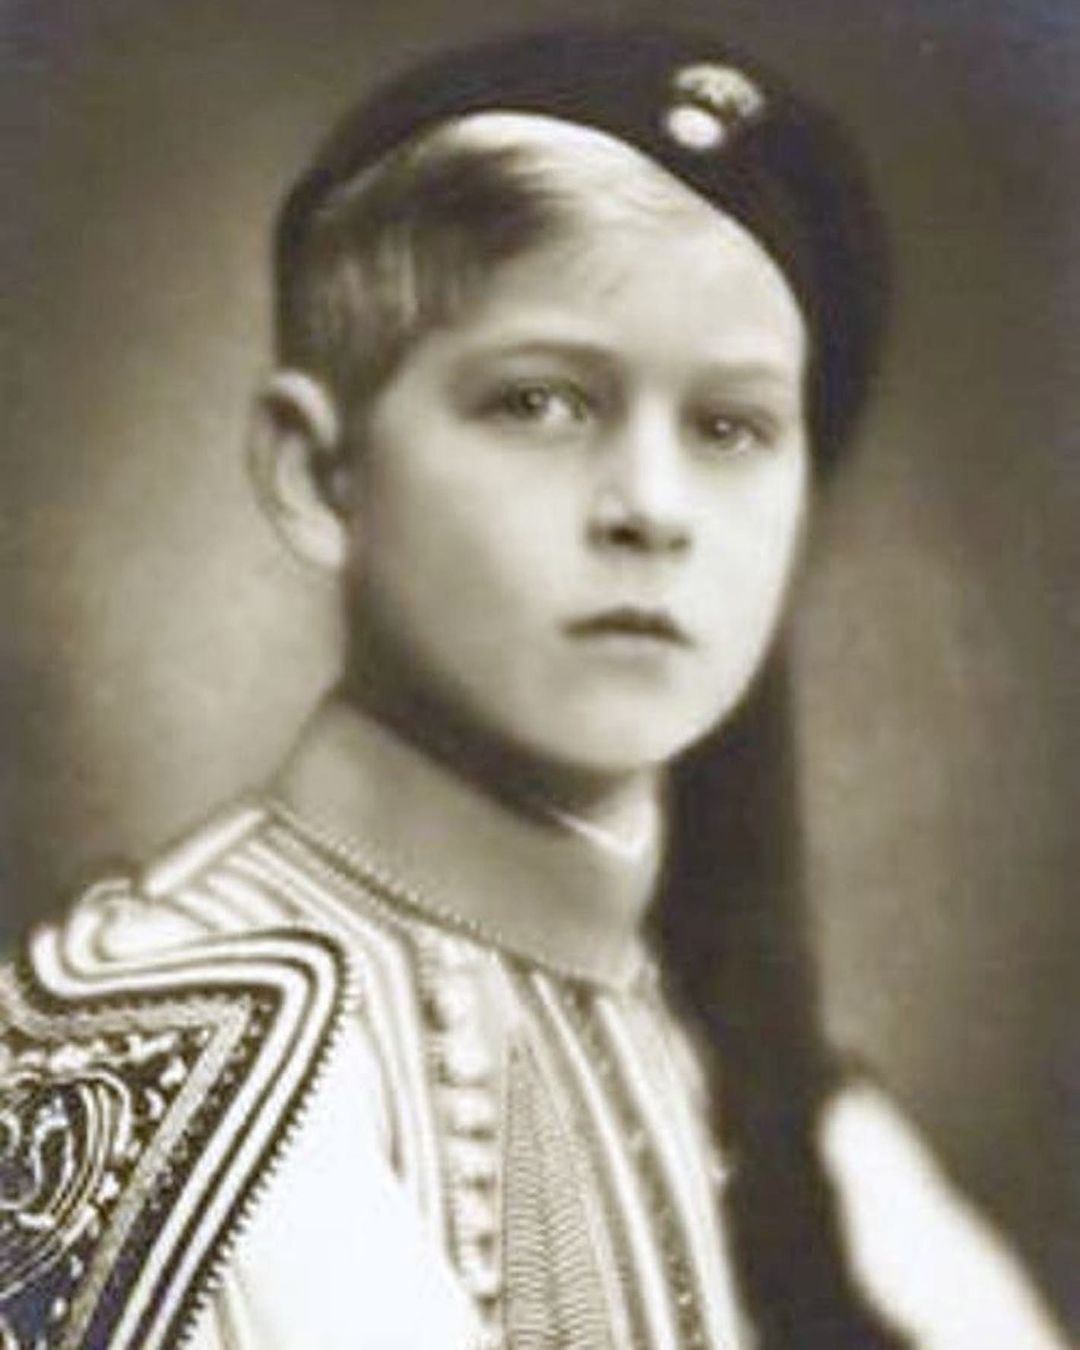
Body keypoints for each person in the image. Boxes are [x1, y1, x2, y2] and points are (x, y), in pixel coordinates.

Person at [0, 24, 1067, 1350]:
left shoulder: (779, 1104)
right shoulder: (166, 1059)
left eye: (730, 426)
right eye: (541, 403)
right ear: (317, 475)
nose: (653, 508)